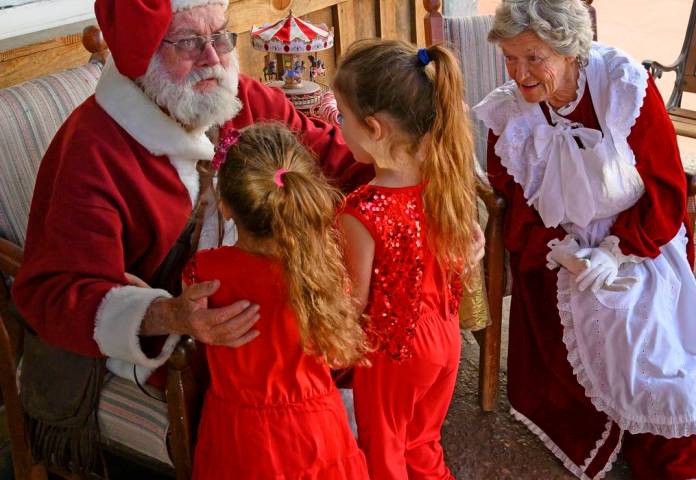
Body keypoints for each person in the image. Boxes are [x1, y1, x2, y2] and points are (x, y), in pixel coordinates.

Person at [11, 0, 370, 471]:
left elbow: (338, 162)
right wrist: (165, 315)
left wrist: (424, 195)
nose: (213, 58)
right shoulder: (91, 150)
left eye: (220, 36)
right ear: (143, 57)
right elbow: (52, 293)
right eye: (187, 42)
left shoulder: (242, 100)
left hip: (261, 316)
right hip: (172, 346)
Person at [473, 0, 696, 478]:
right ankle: (602, 423)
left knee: (640, 327)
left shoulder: (622, 87)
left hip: (639, 235)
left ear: (570, 52)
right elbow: (514, 199)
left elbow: (666, 188)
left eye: (533, 57)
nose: (519, 73)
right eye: (510, 58)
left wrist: (614, 252)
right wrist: (559, 251)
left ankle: (669, 448)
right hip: (558, 245)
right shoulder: (509, 113)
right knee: (594, 311)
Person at [183, 123, 369, 480]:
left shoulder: (203, 271)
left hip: (238, 437)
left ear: (225, 207)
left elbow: (189, 318)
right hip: (316, 432)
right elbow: (336, 352)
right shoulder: (322, 268)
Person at [333, 39, 479, 479]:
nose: (338, 127)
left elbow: (352, 304)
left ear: (374, 128)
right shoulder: (445, 178)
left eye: (342, 117)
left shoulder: (361, 211)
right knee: (422, 443)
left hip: (395, 351)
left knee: (385, 454)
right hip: (445, 339)